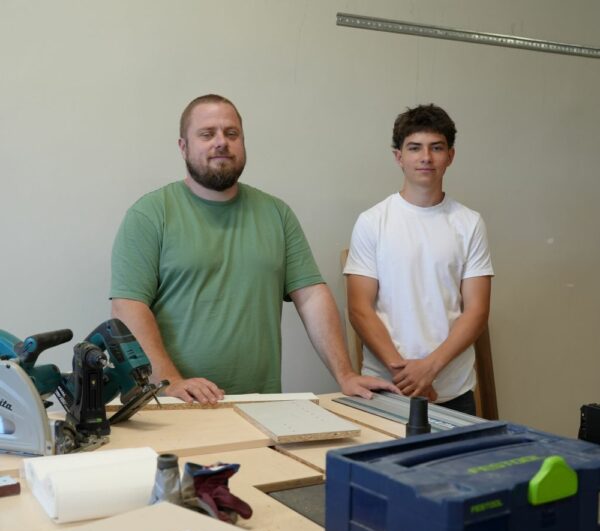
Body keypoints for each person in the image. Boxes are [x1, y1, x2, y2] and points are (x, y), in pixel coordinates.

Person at [110, 94, 397, 405]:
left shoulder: (276, 214)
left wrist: (346, 375)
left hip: (260, 404)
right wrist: (171, 382)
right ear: (183, 147)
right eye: (207, 134)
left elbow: (312, 296)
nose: (221, 142)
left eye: (231, 133)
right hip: (173, 405)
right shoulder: (150, 215)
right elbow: (128, 308)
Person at [344, 104, 494, 415]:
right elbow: (359, 309)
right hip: (385, 388)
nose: (426, 157)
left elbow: (477, 311)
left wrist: (429, 368)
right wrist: (407, 375)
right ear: (398, 156)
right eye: (415, 148)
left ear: (450, 156)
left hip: (452, 392)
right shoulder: (372, 222)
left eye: (436, 148)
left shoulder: (469, 223)